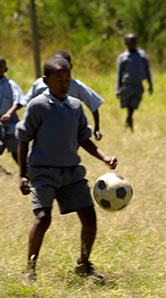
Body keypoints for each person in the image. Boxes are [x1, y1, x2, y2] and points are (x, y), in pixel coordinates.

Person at [16, 57, 118, 283]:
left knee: (89, 218)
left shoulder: (75, 106)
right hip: (43, 172)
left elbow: (84, 138)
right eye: (59, 79)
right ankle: (30, 269)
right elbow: (24, 140)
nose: (64, 83)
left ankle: (83, 264)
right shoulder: (37, 106)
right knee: (42, 219)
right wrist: (23, 174)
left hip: (71, 173)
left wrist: (104, 157)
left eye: (68, 79)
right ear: (46, 80)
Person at [24, 50, 104, 141]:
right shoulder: (40, 83)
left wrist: (97, 128)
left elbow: (93, 104)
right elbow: (29, 104)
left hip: (70, 130)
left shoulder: (76, 86)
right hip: (46, 130)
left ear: (70, 66)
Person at [115, 33, 153, 131]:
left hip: (138, 85)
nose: (131, 43)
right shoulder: (123, 57)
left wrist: (150, 84)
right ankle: (129, 121)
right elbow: (119, 73)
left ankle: (129, 119)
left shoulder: (142, 55)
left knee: (134, 104)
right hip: (127, 85)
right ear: (125, 43)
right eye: (129, 41)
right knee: (128, 104)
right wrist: (118, 89)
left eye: (133, 41)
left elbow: (147, 70)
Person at [0, 56, 25, 175]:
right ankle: (4, 174)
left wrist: (9, 113)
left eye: (0, 66)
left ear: (6, 69)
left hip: (10, 124)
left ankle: (27, 173)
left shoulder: (10, 84)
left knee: (17, 151)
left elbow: (19, 101)